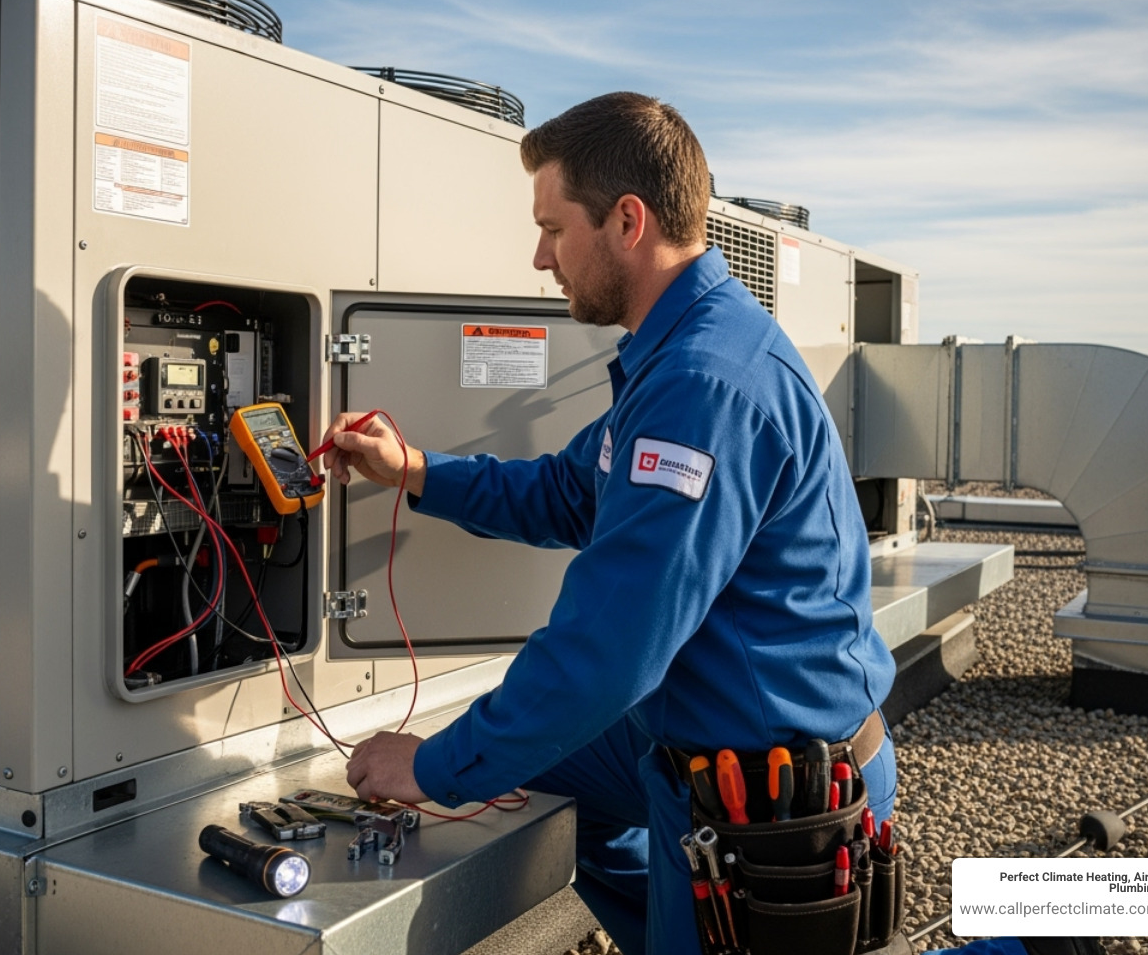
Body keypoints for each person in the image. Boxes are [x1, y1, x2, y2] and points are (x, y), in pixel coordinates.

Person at [322, 93, 1073, 955]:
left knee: (530, 752)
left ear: (628, 222)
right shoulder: (675, 351)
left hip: (775, 790)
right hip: (688, 743)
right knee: (548, 780)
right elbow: (572, 493)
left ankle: (1035, 941)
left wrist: (431, 768)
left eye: (553, 228)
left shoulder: (700, 384)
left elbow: (608, 652)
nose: (540, 257)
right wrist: (415, 470)